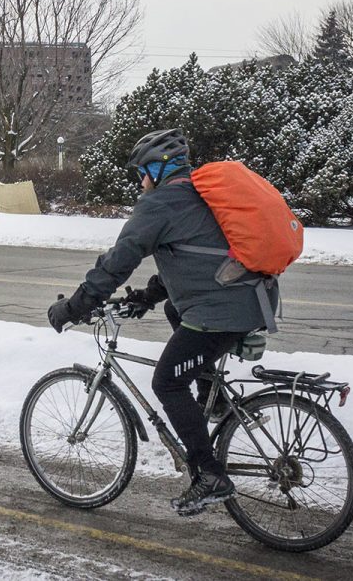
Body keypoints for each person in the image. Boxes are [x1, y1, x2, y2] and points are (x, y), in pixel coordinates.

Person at [47, 128, 278, 516]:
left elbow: (118, 260)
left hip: (222, 311)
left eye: (142, 171)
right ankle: (213, 399)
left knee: (167, 382)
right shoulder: (197, 195)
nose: (141, 181)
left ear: (158, 168)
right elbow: (195, 258)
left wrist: (76, 306)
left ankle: (209, 475)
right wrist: (148, 297)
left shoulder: (161, 203)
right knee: (176, 312)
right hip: (248, 300)